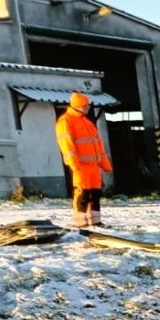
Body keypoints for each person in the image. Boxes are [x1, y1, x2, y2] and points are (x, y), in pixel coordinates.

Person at [54, 92, 112, 228]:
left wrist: (105, 163)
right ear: (79, 106)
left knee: (95, 194)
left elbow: (98, 145)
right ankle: (81, 222)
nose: (88, 108)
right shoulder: (65, 121)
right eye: (86, 105)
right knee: (82, 194)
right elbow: (66, 144)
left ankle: (95, 221)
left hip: (94, 167)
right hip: (80, 166)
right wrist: (74, 164)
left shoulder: (87, 122)